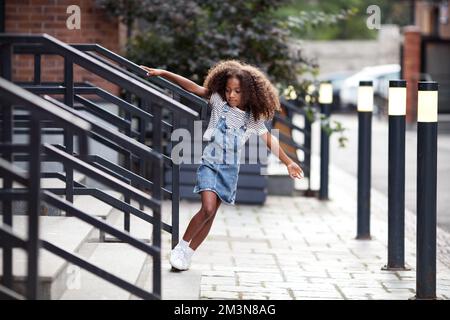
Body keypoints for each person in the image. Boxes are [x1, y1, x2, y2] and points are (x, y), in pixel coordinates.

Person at [140, 60, 303, 271]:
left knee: (211, 215)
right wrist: (163, 72)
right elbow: (194, 87)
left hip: (229, 170)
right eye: (228, 90)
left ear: (249, 93)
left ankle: (188, 255)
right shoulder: (218, 102)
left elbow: (270, 140)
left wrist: (288, 162)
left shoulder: (252, 118)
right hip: (210, 163)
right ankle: (181, 247)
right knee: (206, 208)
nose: (231, 95)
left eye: (237, 91)